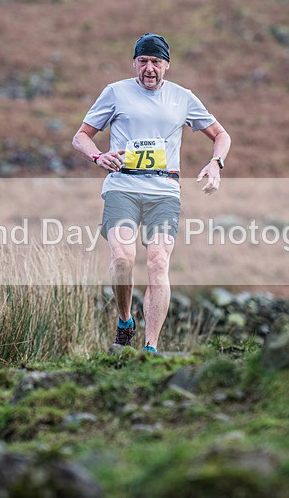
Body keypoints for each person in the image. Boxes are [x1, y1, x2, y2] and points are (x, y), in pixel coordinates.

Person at [72, 33, 231, 353]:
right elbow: (81, 136)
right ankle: (125, 321)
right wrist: (98, 157)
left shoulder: (183, 97)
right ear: (134, 62)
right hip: (123, 188)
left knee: (158, 263)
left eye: (156, 62)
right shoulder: (115, 92)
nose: (149, 68)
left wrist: (216, 164)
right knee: (123, 257)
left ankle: (151, 347)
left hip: (164, 192)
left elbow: (221, 135)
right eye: (143, 61)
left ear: (167, 65)